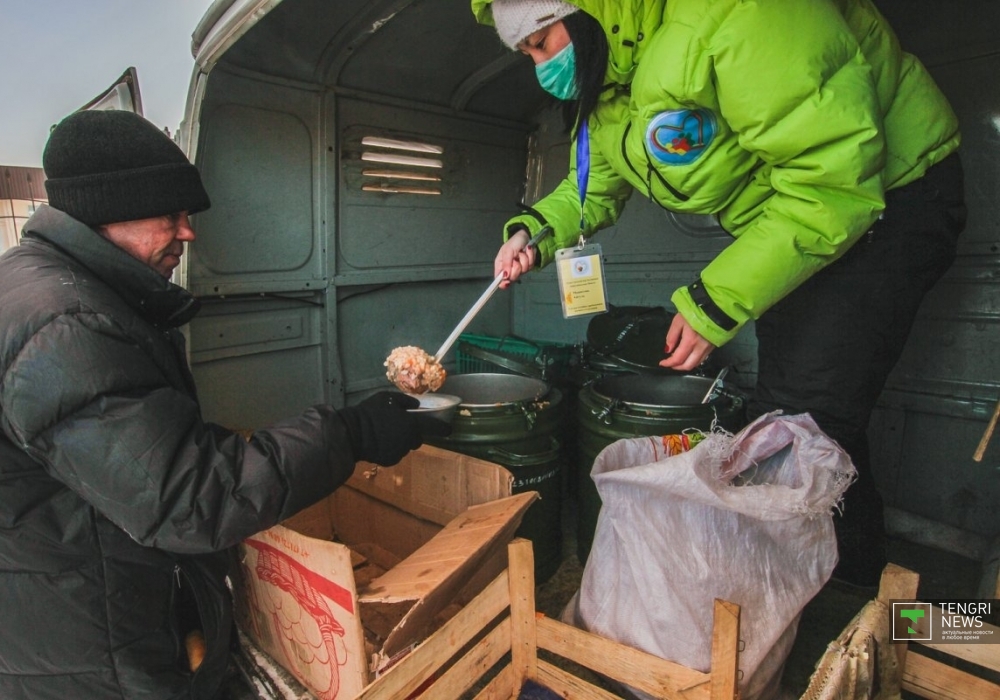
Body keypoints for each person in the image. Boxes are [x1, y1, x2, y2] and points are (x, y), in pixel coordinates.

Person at [473, 0, 966, 588]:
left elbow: (832, 181)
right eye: (526, 54)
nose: (539, 66)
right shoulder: (610, 90)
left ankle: (827, 601)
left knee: (804, 421)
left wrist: (712, 302)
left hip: (890, 198)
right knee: (800, 412)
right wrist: (533, 231)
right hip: (798, 229)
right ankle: (846, 582)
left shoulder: (737, 14)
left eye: (540, 42)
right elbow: (590, 189)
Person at [0, 109, 446, 699]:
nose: (188, 232)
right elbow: (191, 497)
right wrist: (352, 433)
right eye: (171, 214)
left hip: (75, 593)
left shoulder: (37, 281)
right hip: (87, 642)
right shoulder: (68, 325)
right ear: (110, 209)